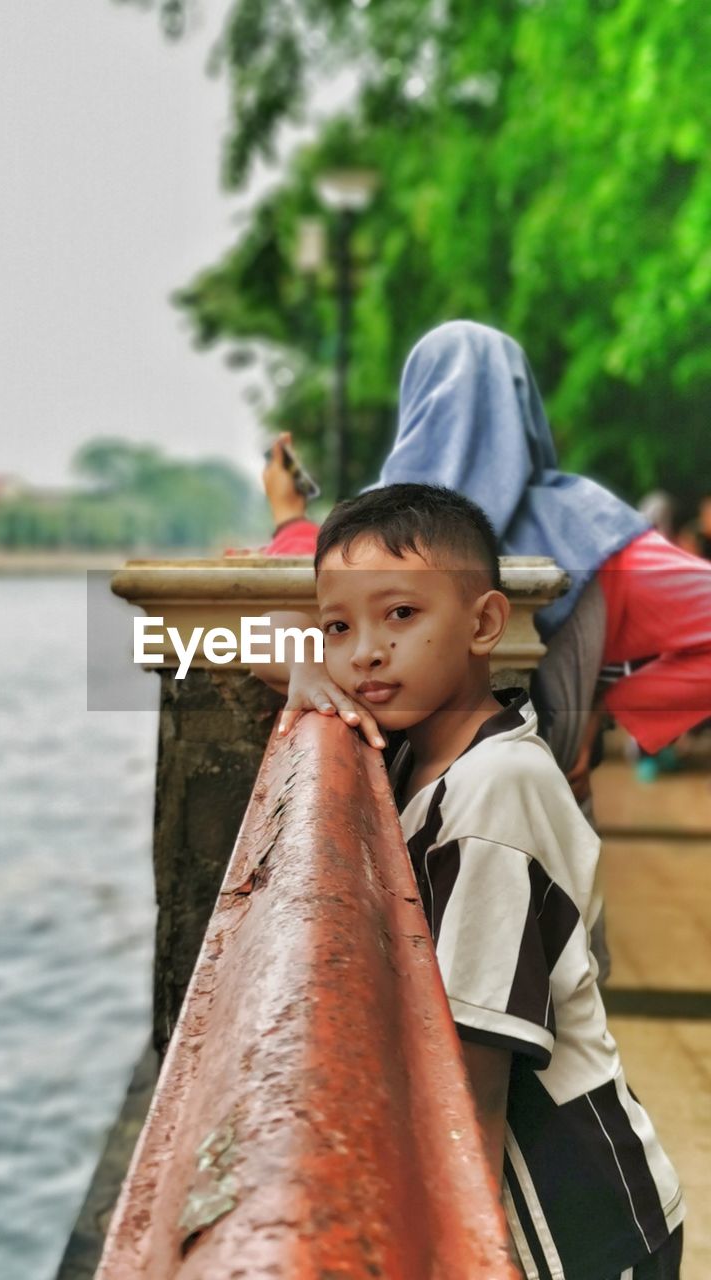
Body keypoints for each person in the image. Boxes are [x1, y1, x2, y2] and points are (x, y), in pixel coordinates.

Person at [293, 482, 684, 1280]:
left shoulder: (492, 791)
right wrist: (299, 670)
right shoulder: (420, 739)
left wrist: (457, 1255)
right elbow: (235, 636)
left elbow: (470, 1079)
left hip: (574, 1225)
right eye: (340, 627)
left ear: (483, 623)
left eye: (402, 615)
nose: (365, 650)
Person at [261, 321, 711, 812]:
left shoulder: (381, 525)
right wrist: (602, 708)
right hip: (547, 803)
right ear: (523, 409)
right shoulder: (593, 528)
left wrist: (288, 516)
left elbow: (283, 595)